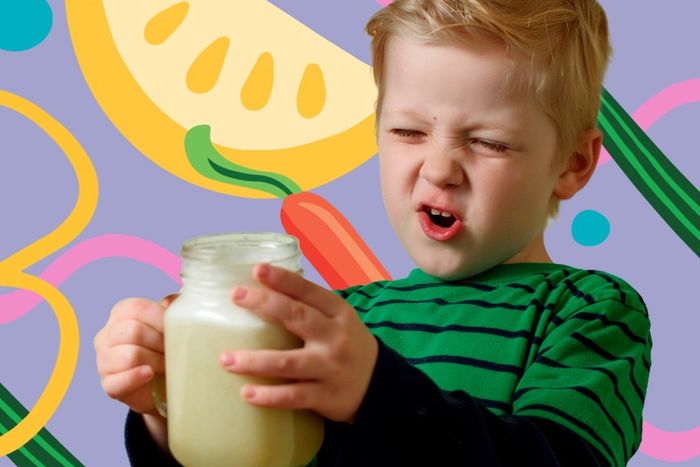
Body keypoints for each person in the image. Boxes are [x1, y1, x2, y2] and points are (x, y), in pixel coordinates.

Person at [94, 0, 651, 465]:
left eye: (489, 142)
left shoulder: (590, 310)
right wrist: (167, 411)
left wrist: (374, 392)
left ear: (573, 163)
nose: (438, 168)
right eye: (408, 131)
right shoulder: (333, 320)